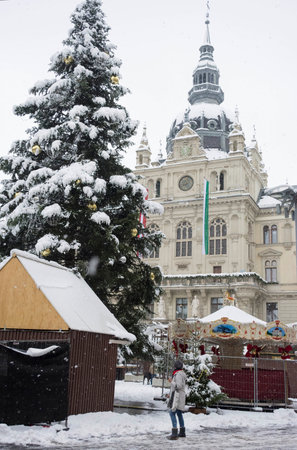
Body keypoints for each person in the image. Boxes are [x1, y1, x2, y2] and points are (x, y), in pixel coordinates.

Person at [166, 359, 187, 440]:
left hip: (177, 397)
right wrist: (170, 394)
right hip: (178, 396)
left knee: (172, 412)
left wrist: (171, 381)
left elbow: (178, 386)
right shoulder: (181, 374)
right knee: (178, 413)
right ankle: (182, 432)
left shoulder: (178, 374)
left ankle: (174, 433)